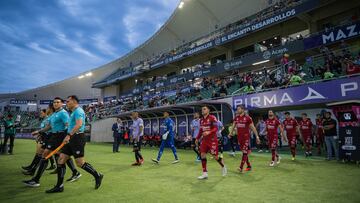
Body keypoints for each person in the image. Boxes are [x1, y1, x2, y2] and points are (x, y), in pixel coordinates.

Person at [46, 95, 103, 193]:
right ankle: (59, 186)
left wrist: (68, 135)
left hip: (77, 138)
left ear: (74, 101)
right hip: (72, 137)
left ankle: (97, 175)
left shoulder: (78, 111)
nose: (66, 103)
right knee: (61, 159)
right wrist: (68, 136)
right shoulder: (73, 112)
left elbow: (79, 125)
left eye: (68, 101)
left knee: (80, 163)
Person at [23, 97, 81, 187]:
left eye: (58, 102)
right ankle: (74, 173)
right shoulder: (54, 114)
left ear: (62, 104)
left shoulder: (63, 113)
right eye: (54, 102)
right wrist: (39, 131)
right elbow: (49, 126)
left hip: (60, 136)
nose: (55, 103)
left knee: (50, 155)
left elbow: (68, 125)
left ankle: (37, 179)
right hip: (54, 136)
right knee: (57, 156)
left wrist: (68, 136)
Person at [22, 107, 56, 175]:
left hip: (48, 137)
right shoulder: (46, 119)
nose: (40, 114)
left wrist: (39, 134)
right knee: (42, 154)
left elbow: (47, 129)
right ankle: (32, 168)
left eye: (41, 113)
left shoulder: (50, 118)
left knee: (42, 154)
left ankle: (33, 169)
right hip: (45, 137)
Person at [195, 106, 227, 180]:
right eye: (202, 109)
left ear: (208, 110)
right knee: (202, 154)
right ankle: (205, 173)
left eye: (204, 109)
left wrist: (209, 132)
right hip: (204, 141)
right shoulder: (201, 120)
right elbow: (201, 131)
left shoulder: (212, 117)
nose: (202, 110)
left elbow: (216, 128)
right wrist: (197, 138)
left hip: (212, 140)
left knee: (215, 156)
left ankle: (223, 166)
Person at [229, 105, 259, 173]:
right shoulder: (236, 118)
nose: (237, 110)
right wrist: (230, 133)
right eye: (237, 109)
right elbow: (233, 126)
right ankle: (249, 166)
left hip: (246, 138)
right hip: (239, 138)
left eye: (238, 109)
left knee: (245, 152)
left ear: (242, 110)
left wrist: (257, 136)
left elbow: (253, 127)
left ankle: (241, 167)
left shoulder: (248, 118)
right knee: (244, 152)